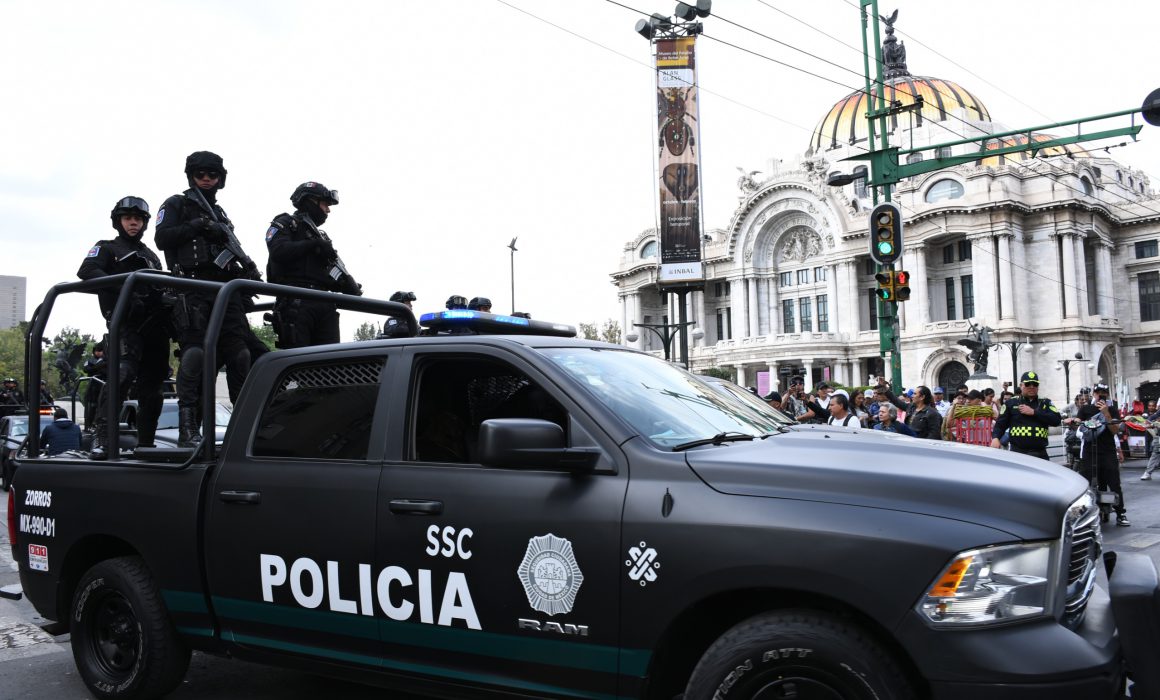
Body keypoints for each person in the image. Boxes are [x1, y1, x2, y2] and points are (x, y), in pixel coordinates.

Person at [155, 151, 260, 447]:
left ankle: (242, 431)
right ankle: (188, 429)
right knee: (195, 357)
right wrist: (198, 226)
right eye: (201, 174)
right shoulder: (177, 203)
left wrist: (247, 271)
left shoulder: (222, 215)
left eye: (211, 175)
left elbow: (228, 251)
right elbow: (162, 238)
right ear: (191, 175)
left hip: (225, 291)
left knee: (240, 355)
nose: (206, 179)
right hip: (192, 288)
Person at [78, 196, 172, 458]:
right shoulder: (107, 248)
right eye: (128, 218)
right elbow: (87, 271)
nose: (134, 223)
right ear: (118, 221)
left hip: (155, 325)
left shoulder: (151, 255)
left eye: (139, 219)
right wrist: (126, 290)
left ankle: (146, 444)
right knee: (121, 375)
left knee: (153, 388)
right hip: (125, 323)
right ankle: (103, 438)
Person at [266, 181, 362, 349]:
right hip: (296, 301)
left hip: (325, 303)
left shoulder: (321, 237)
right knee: (298, 362)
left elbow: (328, 272)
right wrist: (312, 245)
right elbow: (279, 251)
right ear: (310, 201)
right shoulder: (287, 223)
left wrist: (347, 285)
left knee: (328, 364)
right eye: (325, 203)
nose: (328, 210)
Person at [1075, 383, 1128, 526]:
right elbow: (1078, 422)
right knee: (1086, 483)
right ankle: (1084, 514)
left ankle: (1120, 513)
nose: (1101, 395)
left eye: (1104, 392)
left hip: (1107, 452)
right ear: (1094, 394)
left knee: (1114, 483)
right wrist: (1073, 421)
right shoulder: (1085, 408)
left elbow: (1115, 430)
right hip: (1089, 451)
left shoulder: (1112, 409)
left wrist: (1106, 413)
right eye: (1098, 392)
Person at [990, 370, 1061, 459]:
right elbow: (1000, 425)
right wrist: (995, 438)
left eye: (1035, 384)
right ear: (1021, 386)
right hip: (1017, 453)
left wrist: (1034, 412)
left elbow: (1056, 420)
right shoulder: (1011, 403)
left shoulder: (1045, 402)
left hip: (1039, 452)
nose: (1031, 387)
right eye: (1028, 384)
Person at [81, 342, 107, 430]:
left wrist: (99, 368)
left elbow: (106, 371)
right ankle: (89, 423)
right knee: (92, 405)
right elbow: (86, 369)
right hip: (93, 386)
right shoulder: (89, 360)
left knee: (103, 405)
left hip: (104, 385)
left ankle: (99, 423)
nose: (99, 352)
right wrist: (97, 367)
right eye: (97, 351)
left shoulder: (106, 360)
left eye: (101, 350)